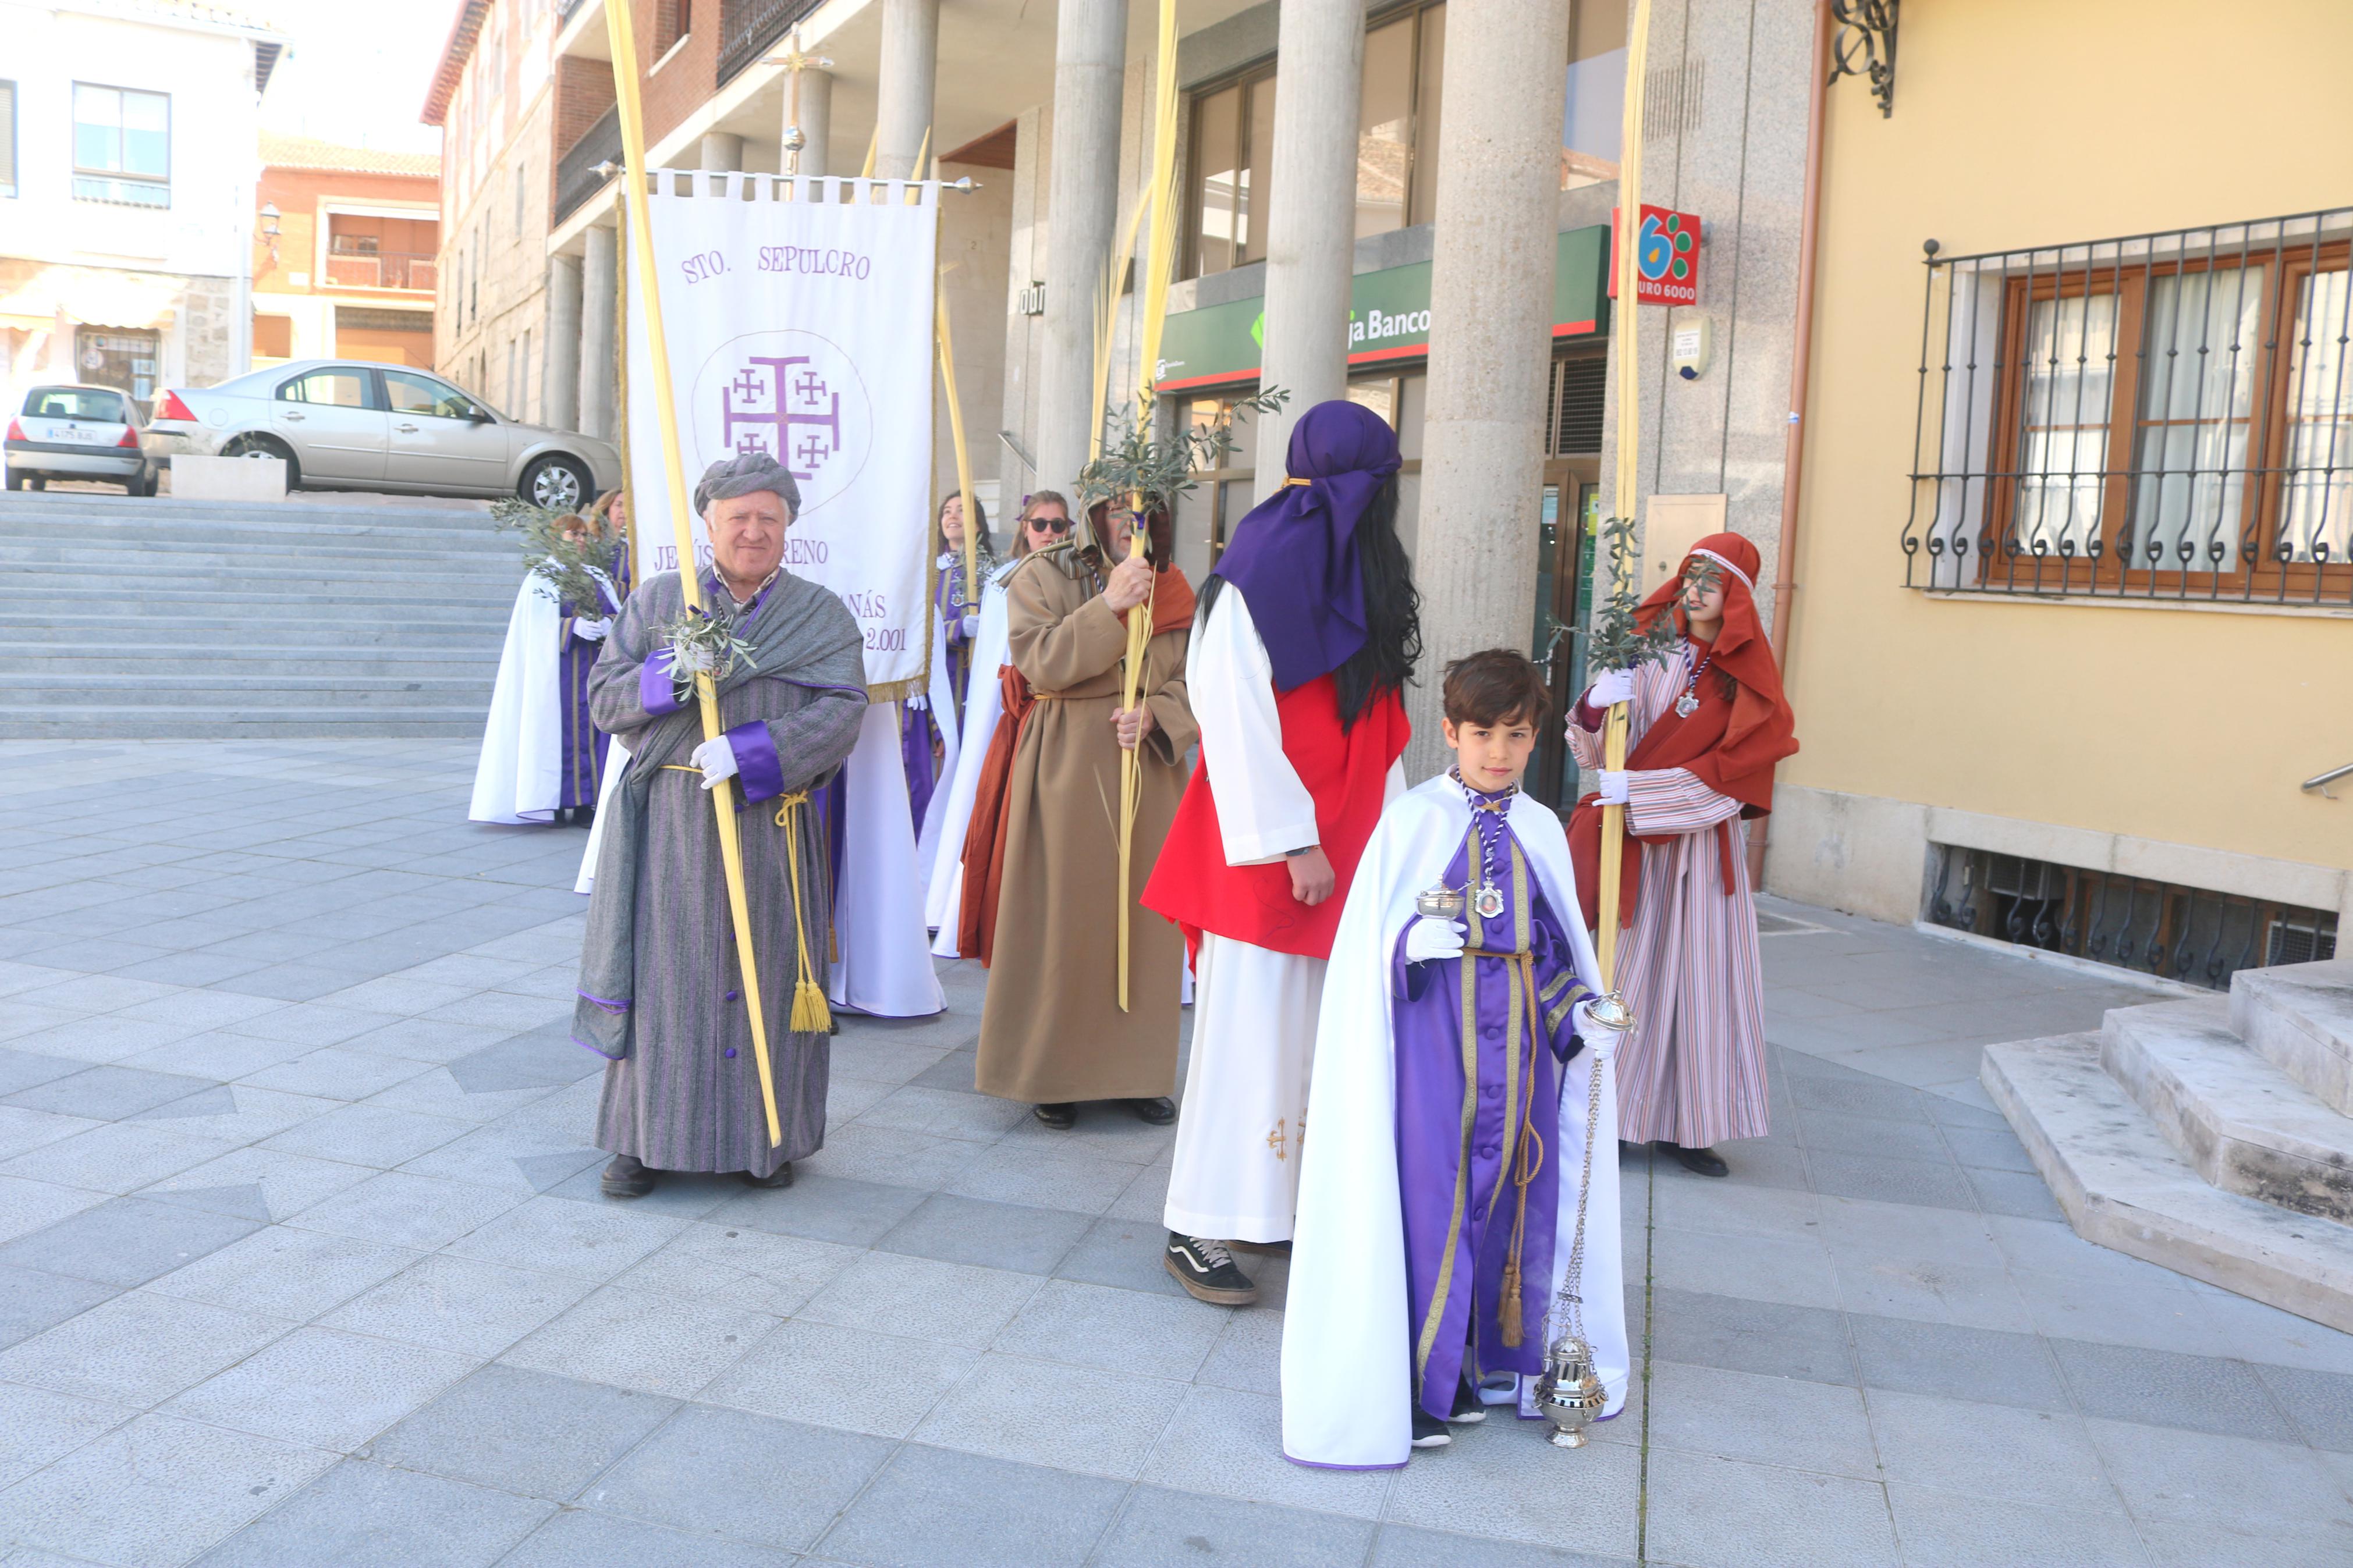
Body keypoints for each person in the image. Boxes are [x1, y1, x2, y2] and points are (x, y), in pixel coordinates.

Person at [1282, 650, 1625, 1467]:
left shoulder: (1540, 828)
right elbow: (1368, 945)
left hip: (1519, 1067)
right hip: (1433, 1055)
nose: (1497, 750)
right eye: (1481, 733)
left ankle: (1471, 1368)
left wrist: (1580, 1011)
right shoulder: (1411, 822)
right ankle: (1407, 1383)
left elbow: (1549, 950)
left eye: (1514, 733)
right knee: (1429, 1203)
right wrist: (1406, 943)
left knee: (1503, 1202)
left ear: (1535, 735)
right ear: (1449, 731)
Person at [1142, 400, 1419, 1307]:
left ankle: (1282, 1209)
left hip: (1344, 847)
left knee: (1313, 1040)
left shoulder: (1362, 571)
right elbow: (1229, 710)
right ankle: (1194, 1220)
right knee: (1244, 1038)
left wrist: (1397, 837)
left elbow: (1374, 718)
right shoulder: (1258, 567)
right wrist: (1293, 840)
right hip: (1271, 851)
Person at [574, 451, 868, 1197]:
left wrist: (754, 752)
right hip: (671, 823)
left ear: (788, 527)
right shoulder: (657, 603)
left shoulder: (818, 613)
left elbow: (843, 711)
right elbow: (605, 700)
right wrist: (673, 673)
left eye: (769, 517)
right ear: (707, 523)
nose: (753, 530)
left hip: (770, 822)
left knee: (764, 973)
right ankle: (642, 1138)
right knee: (665, 974)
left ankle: (765, 1138)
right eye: (738, 516)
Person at [1566, 531, 1798, 1179]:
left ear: (1737, 598)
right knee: (1621, 976)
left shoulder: (1743, 680)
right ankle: (1606, 1114)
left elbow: (1735, 778)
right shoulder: (1642, 649)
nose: (1696, 589)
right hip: (1627, 845)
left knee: (1699, 988)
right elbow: (1588, 749)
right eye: (1691, 574)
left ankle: (1687, 1124)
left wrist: (1639, 790)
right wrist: (1591, 706)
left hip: (1694, 854)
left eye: (1713, 581)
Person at [968, 496, 1197, 1128]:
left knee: (1143, 923)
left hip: (1145, 761)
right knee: (1064, 918)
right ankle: (1054, 1072)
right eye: (1118, 509)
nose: (1131, 522)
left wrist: (1159, 715)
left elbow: (1196, 677)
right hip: (1067, 757)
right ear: (1095, 514)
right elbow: (1039, 659)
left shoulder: (1173, 582)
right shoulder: (1044, 573)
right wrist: (1110, 605)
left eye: (1144, 510)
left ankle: (1136, 1072)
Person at [925, 490, 1070, 948]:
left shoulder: (1078, 578)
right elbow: (996, 651)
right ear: (1024, 527)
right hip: (1008, 708)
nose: (1048, 533)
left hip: (1059, 707)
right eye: (1039, 524)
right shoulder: (1003, 580)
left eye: (1058, 525)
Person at [470, 489, 632, 827]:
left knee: (593, 735)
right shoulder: (542, 577)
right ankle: (555, 802)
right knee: (555, 738)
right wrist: (570, 628)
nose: (580, 540)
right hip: (556, 675)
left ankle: (589, 803)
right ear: (557, 538)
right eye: (573, 534)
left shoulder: (598, 576)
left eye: (584, 534)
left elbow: (619, 615)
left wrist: (606, 624)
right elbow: (532, 628)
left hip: (591, 670)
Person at [904, 491, 996, 834]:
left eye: (962, 510)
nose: (952, 515)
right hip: (943, 686)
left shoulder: (996, 572)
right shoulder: (930, 572)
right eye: (947, 511)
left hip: (982, 682)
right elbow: (916, 628)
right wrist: (958, 629)